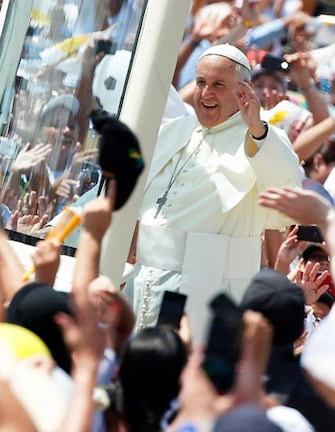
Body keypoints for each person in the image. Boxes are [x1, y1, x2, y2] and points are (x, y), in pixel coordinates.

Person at [126, 44, 301, 341]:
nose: (206, 93)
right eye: (201, 82)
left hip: (205, 290)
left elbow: (285, 189)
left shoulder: (262, 138)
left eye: (218, 85)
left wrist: (257, 128)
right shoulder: (175, 130)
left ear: (243, 91)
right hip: (144, 280)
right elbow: (130, 194)